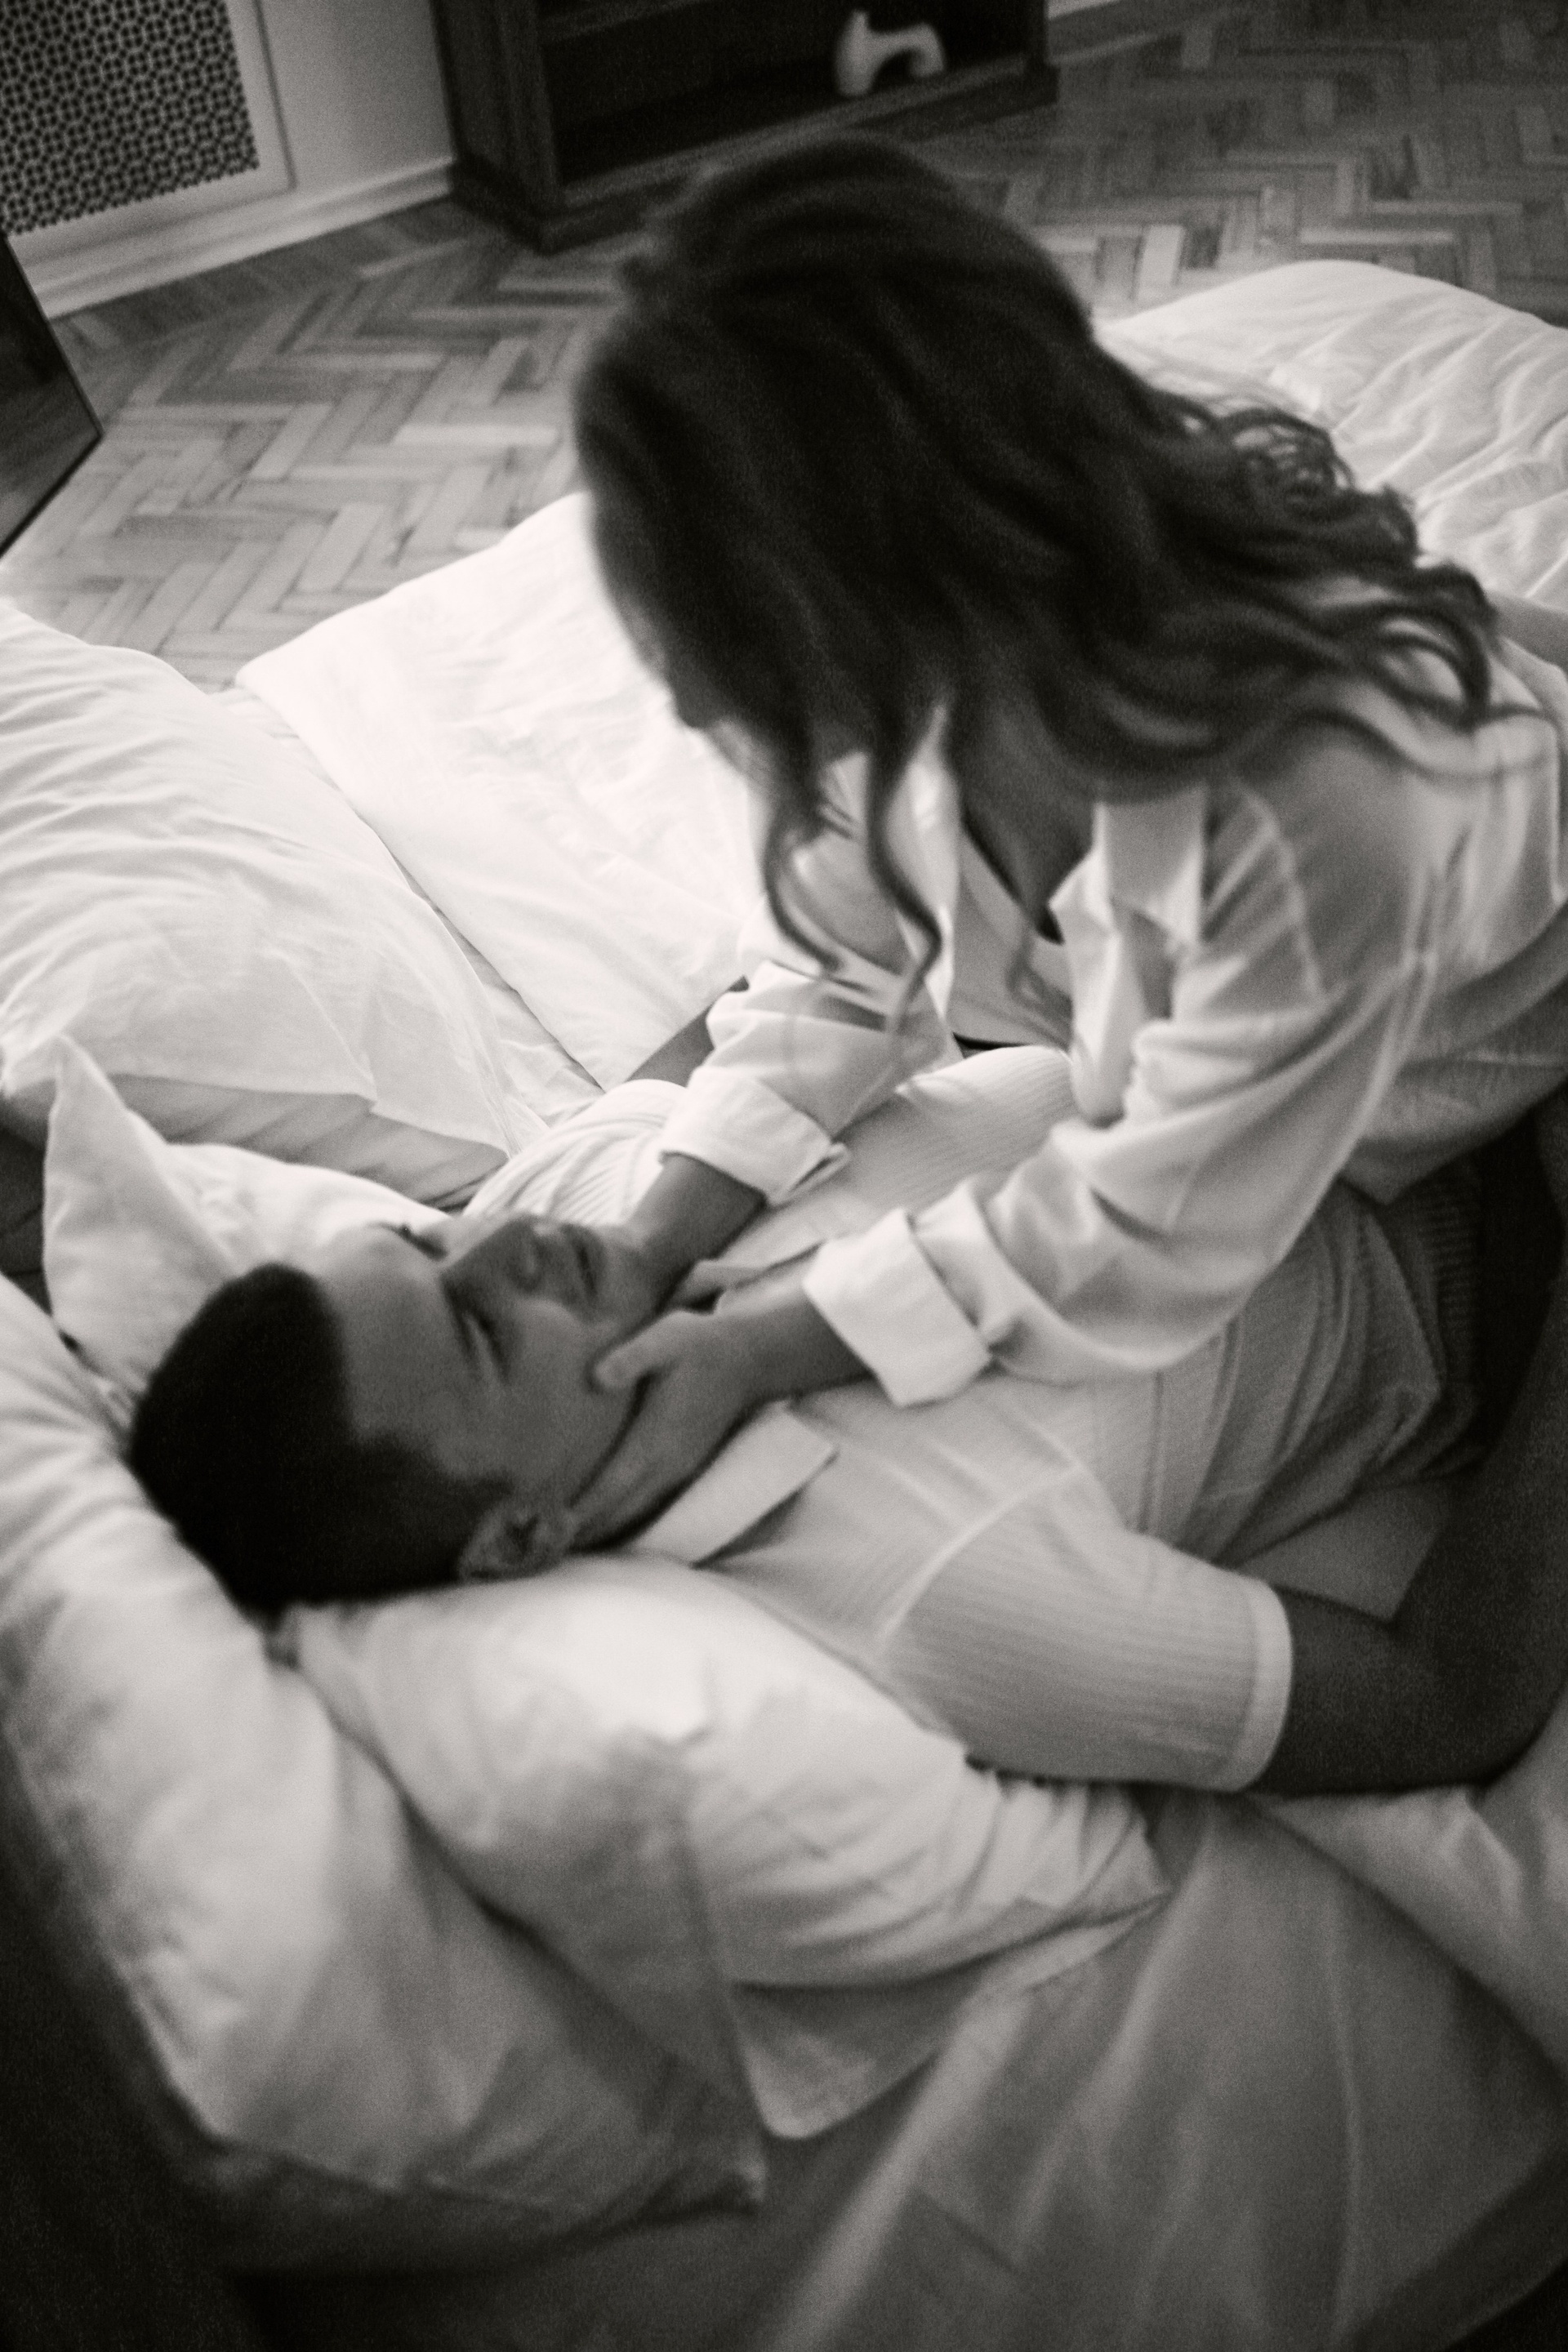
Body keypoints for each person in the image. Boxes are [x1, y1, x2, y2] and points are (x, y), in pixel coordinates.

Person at [557, 133, 1568, 1551]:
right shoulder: (908, 671)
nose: (692, 697)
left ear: (900, 572)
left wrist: (763, 1346)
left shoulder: (1327, 799)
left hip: (1501, 1037)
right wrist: (648, 1242)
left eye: (724, 620)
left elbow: (1156, 1226)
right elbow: (837, 973)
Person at [129, 1049, 1568, 1799]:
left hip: (1355, 1000)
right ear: (521, 1535)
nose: (502, 1243)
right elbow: (1449, 1702)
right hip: (1502, 1230)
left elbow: (799, 991)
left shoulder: (613, 1214)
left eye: (424, 1240)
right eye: (479, 1329)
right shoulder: (918, 1580)